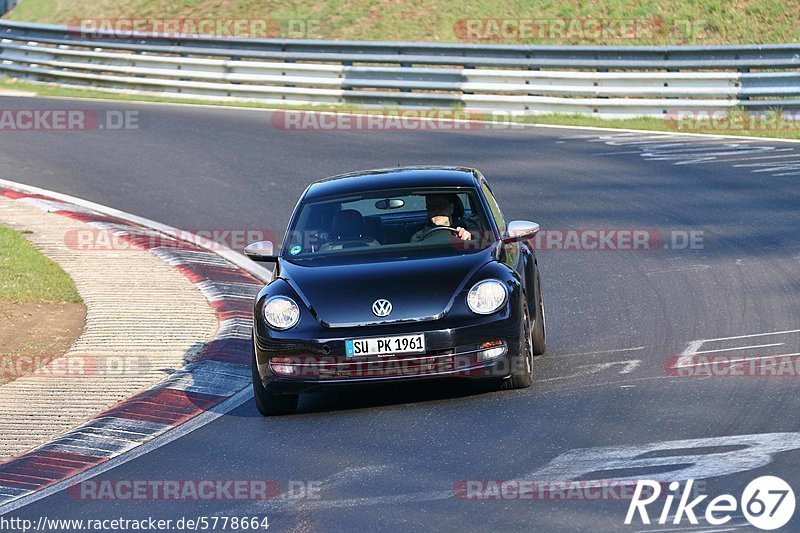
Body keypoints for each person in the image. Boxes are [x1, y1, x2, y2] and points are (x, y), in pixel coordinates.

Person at [411, 194, 476, 242]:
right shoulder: (418, 238)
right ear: (427, 210)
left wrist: (468, 240)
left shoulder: (467, 229)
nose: (436, 210)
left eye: (441, 206)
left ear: (451, 208)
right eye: (432, 206)